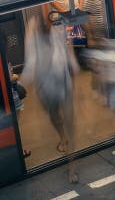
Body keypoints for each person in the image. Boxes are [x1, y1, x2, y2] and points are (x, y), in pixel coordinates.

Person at [22, 14, 80, 183]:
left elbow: (68, 52)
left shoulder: (58, 32)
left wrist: (74, 64)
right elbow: (31, 63)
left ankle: (72, 168)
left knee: (70, 124)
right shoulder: (33, 41)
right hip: (46, 88)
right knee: (54, 118)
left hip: (62, 85)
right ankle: (62, 137)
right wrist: (21, 83)